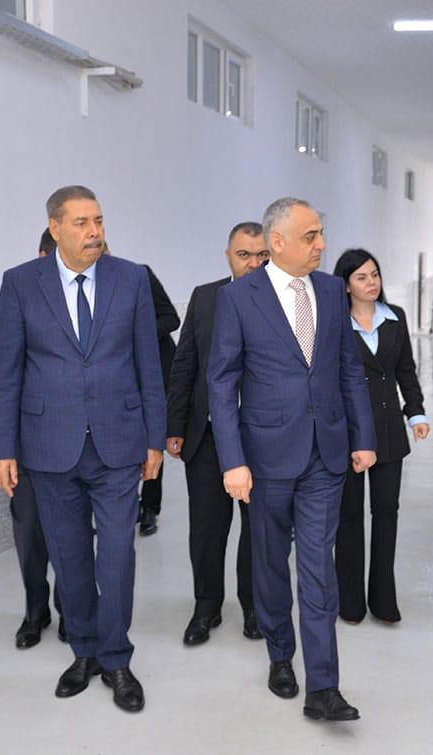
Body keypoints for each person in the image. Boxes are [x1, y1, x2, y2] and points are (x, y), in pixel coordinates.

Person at [0, 186, 166, 713]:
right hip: (49, 446)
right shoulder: (21, 283)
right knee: (69, 558)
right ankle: (84, 651)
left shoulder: (130, 278)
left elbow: (148, 364)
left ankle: (117, 658)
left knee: (117, 555)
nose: (94, 232)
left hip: (118, 442)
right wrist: (0, 448)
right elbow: (5, 373)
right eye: (82, 222)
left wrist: (154, 438)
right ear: (55, 227)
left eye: (99, 221)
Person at [207, 198, 376, 722]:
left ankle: (324, 687)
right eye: (310, 236)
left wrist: (362, 436)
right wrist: (232, 461)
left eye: (321, 233)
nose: (321, 245)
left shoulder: (330, 290)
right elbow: (221, 383)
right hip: (264, 458)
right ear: (276, 242)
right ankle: (280, 653)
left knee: (318, 569)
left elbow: (348, 369)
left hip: (325, 453)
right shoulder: (239, 298)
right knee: (269, 562)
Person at [166, 222, 268, 645]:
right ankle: (206, 607)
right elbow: (185, 363)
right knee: (207, 531)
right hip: (207, 436)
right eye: (244, 255)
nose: (253, 263)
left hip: (262, 438)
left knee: (259, 531)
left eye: (262, 255)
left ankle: (255, 608)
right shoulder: (206, 297)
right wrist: (175, 426)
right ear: (228, 256)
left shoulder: (283, 301)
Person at [332, 249, 430, 624]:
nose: (371, 282)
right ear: (346, 285)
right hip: (349, 433)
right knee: (349, 517)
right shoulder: (335, 323)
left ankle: (384, 600)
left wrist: (416, 412)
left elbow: (406, 370)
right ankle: (350, 601)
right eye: (361, 277)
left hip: (389, 430)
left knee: (386, 513)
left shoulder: (395, 318)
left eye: (374, 274)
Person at [0, 229, 66, 649]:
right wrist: (0, 448)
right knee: (30, 534)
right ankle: (36, 612)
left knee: (73, 535)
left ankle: (73, 609)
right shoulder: (15, 296)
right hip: (29, 444)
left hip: (76, 443)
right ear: (42, 256)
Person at [137, 264, 180, 536]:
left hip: (157, 371)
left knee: (154, 439)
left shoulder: (140, 275)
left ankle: (150, 508)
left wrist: (137, 336)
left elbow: (171, 318)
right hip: (122, 376)